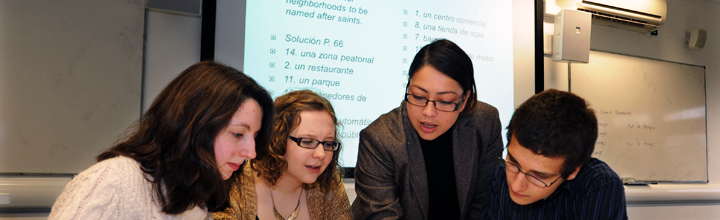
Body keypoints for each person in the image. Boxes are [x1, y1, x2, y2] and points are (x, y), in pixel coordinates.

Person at [49, 61, 275, 219]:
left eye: (254, 137)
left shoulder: (197, 200)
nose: (251, 153)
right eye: (238, 134)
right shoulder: (114, 181)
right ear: (194, 126)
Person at [351, 39, 504, 220]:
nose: (428, 112)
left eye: (445, 101)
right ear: (408, 84)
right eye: (418, 96)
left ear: (464, 100)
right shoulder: (379, 139)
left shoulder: (485, 122)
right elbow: (384, 216)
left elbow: (485, 204)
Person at [480, 89, 627, 219]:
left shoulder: (598, 185)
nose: (517, 186)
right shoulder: (499, 178)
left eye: (539, 176)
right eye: (514, 163)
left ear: (573, 171)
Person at [214, 90, 352, 220]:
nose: (321, 154)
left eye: (328, 144)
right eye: (308, 141)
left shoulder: (329, 185)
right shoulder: (233, 187)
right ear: (277, 140)